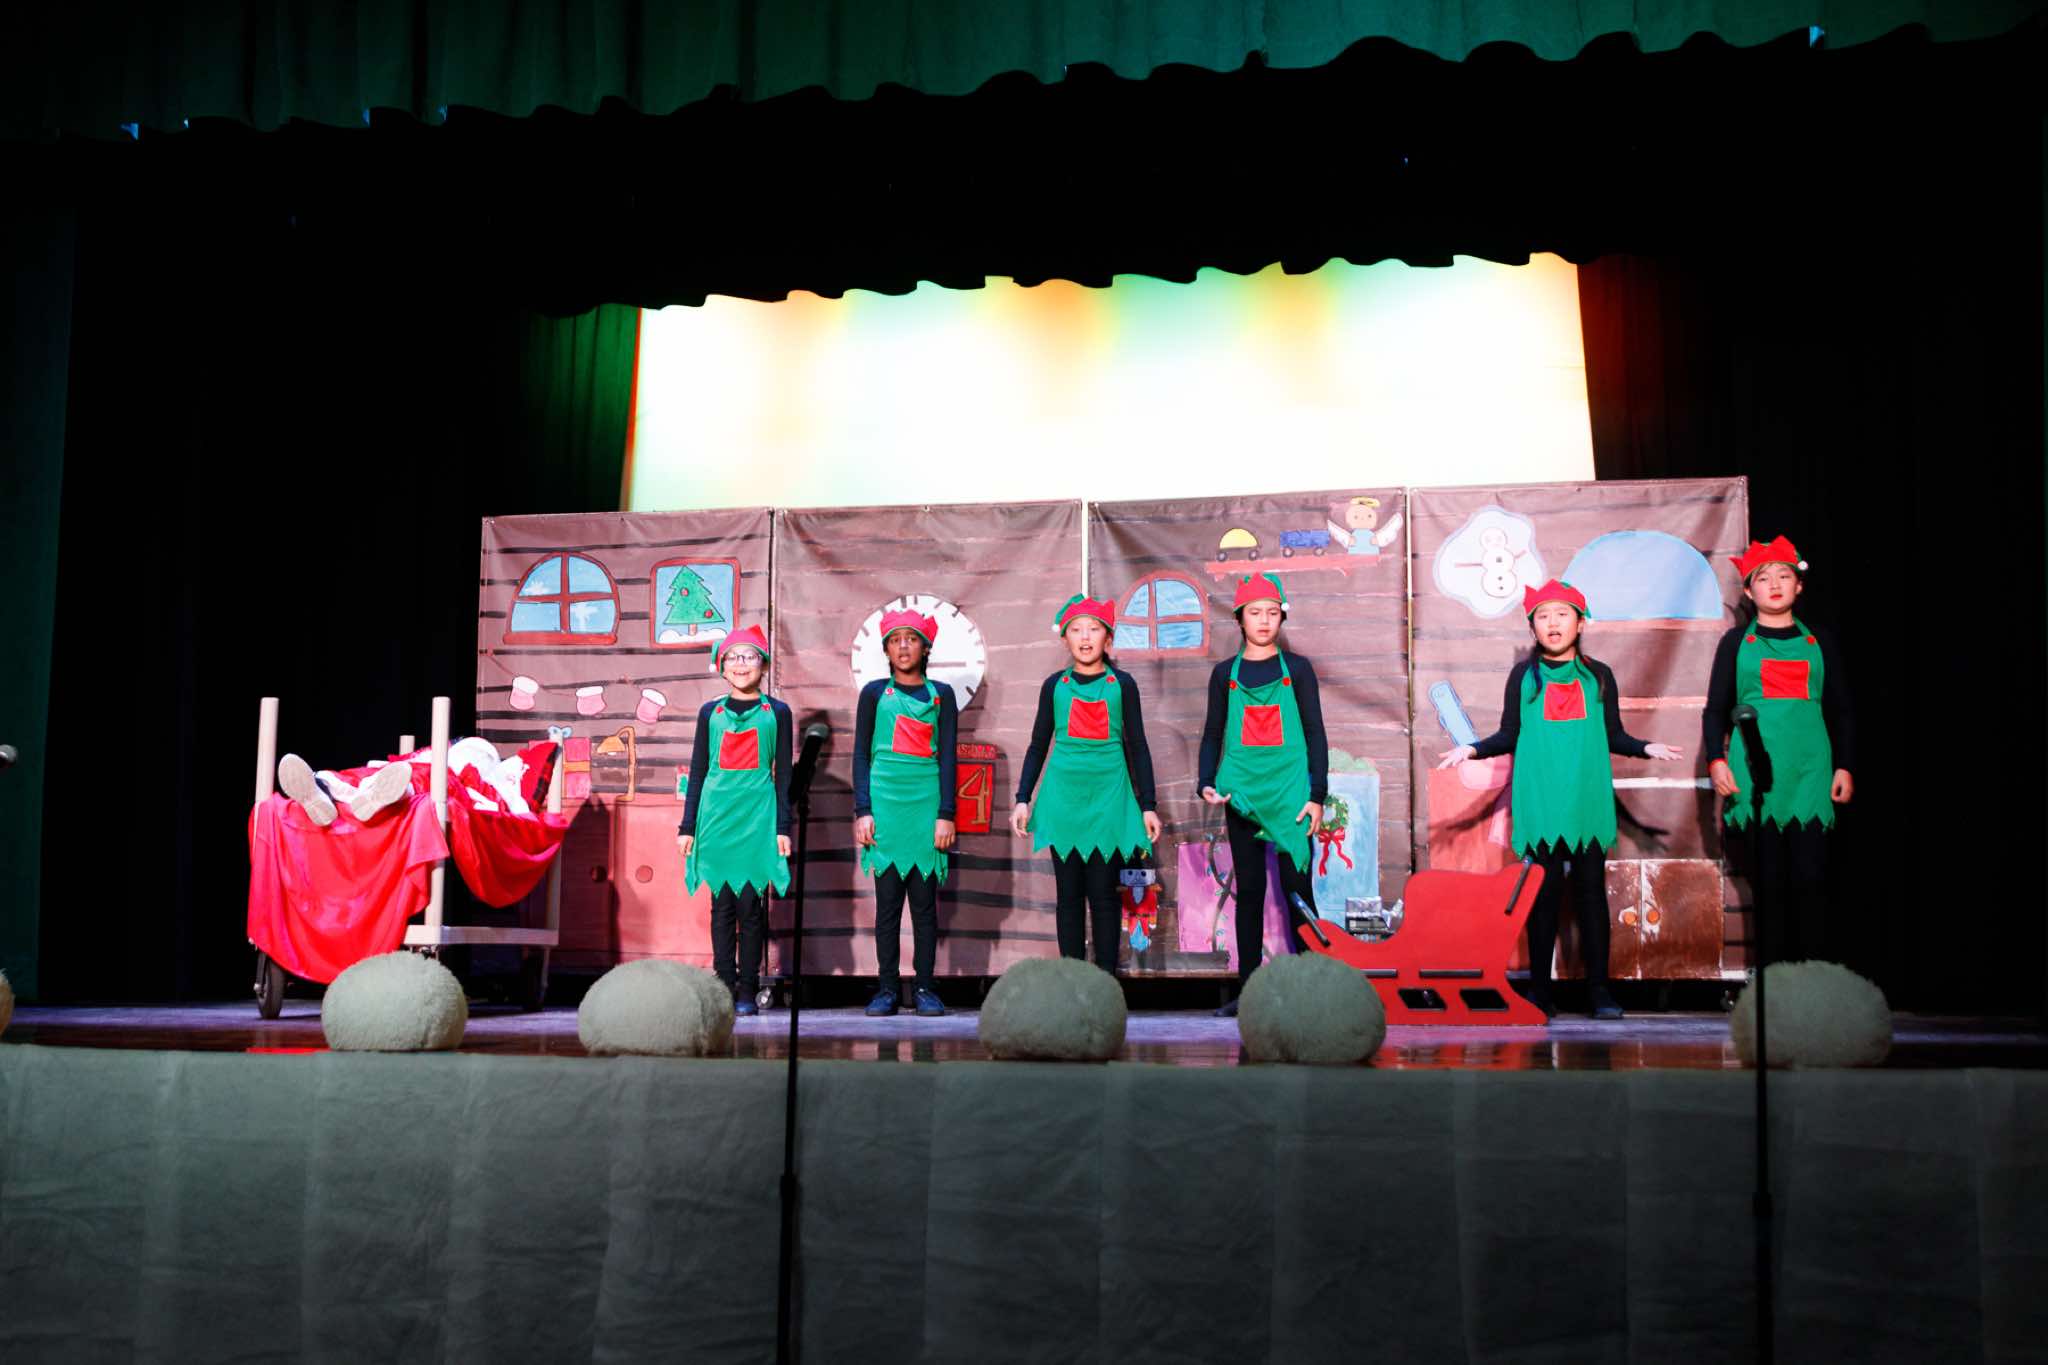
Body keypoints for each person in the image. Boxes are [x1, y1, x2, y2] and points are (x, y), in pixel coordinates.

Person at [1437, 580, 1684, 1019]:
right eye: (1544, 616)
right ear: (1532, 627)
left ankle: (1599, 992)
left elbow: (1613, 734)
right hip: (1542, 801)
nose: (1553, 623)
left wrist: (1645, 747)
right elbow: (1510, 734)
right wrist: (1472, 749)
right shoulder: (1524, 678)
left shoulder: (1599, 676)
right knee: (1543, 898)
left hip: (1586, 799)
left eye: (1562, 614)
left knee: (1591, 896)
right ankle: (1540, 992)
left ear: (1581, 623)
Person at [1703, 536, 1856, 965]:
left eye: (1783, 576)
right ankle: (1773, 984)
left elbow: (1841, 708)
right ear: (1748, 591)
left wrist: (1845, 766)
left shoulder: (1819, 641)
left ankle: (1812, 982)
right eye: (1763, 578)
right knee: (1768, 886)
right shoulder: (1736, 643)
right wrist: (1716, 760)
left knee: (1811, 882)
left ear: (1798, 586)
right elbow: (1715, 709)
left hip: (1810, 773)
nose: (1774, 584)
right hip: (1756, 775)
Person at [1197, 572, 1328, 1017]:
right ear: (1240, 618)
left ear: (1281, 618)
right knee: (1250, 891)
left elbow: (1315, 733)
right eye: (1255, 612)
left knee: (1298, 890)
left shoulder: (1299, 670)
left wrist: (1317, 794)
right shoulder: (1224, 675)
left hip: (1291, 794)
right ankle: (1249, 992)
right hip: (1243, 795)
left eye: (1273, 612)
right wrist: (1206, 780)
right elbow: (1213, 733)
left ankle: (1314, 989)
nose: (1264, 620)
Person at [1011, 593, 1162, 973]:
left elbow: (1138, 746)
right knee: (1069, 896)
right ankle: (1072, 980)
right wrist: (1022, 797)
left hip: (1109, 800)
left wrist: (1148, 805)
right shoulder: (1055, 686)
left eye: (1093, 629)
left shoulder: (1122, 684)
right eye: (1076, 630)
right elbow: (1038, 744)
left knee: (1104, 895)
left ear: (1107, 637)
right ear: (1065, 637)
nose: (1085, 637)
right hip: (1063, 802)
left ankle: (1105, 982)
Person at [676, 624, 792, 1017]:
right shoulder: (710, 713)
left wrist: (782, 827)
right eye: (733, 657)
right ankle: (723, 984)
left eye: (750, 656)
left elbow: (784, 774)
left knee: (751, 907)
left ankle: (747, 988)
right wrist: (688, 827)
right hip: (716, 818)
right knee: (722, 906)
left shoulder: (777, 712)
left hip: (757, 818)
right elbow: (698, 770)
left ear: (764, 665)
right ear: (722, 666)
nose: (741, 664)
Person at [852, 608, 958, 1017]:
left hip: (925, 805)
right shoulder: (874, 694)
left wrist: (945, 813)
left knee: (925, 906)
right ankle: (887, 988)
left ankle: (926, 987)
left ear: (925, 647)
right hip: (885, 807)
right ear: (886, 649)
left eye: (911, 639)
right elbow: (861, 755)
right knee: (888, 906)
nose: (903, 647)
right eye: (895, 640)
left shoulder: (941, 695)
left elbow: (947, 757)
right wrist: (863, 809)